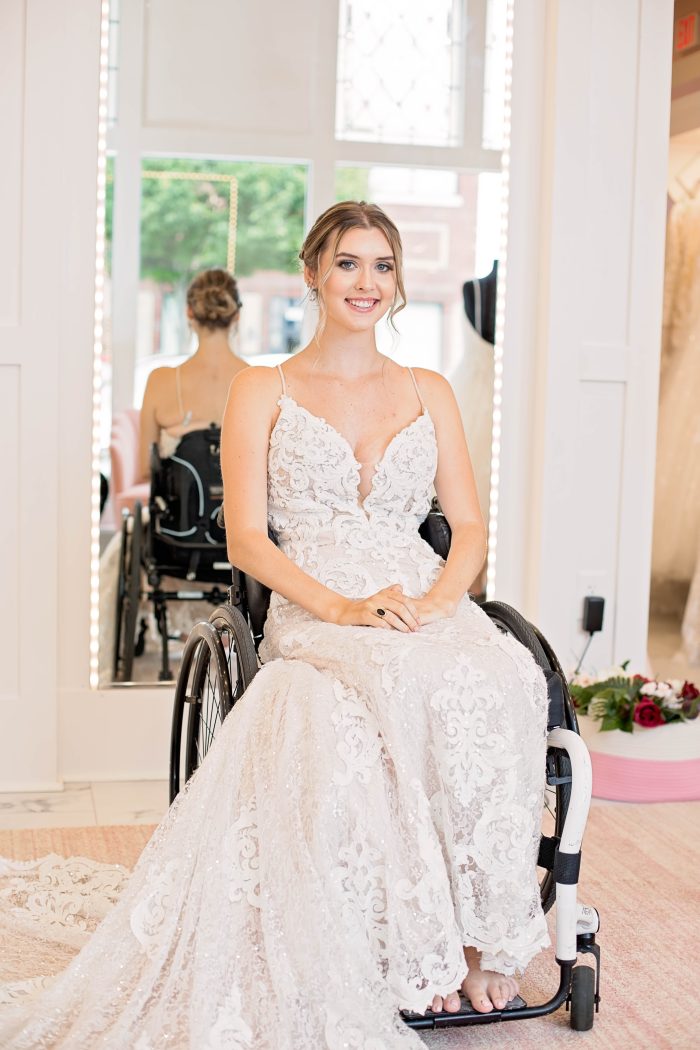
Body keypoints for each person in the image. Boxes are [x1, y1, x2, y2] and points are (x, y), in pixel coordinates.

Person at [0, 203, 550, 1048]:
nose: (366, 283)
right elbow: (247, 538)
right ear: (312, 272)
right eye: (348, 265)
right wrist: (337, 606)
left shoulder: (429, 390)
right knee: (376, 699)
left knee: (501, 676)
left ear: (397, 282)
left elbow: (468, 527)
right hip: (316, 596)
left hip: (420, 594)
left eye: (382, 266)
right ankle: (411, 950)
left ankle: (477, 941)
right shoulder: (263, 388)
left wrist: (443, 601)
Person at [138, 268, 248, 479]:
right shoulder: (260, 381)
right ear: (237, 315)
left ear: (190, 312)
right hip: (243, 512)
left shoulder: (159, 381)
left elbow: (146, 469)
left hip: (182, 511)